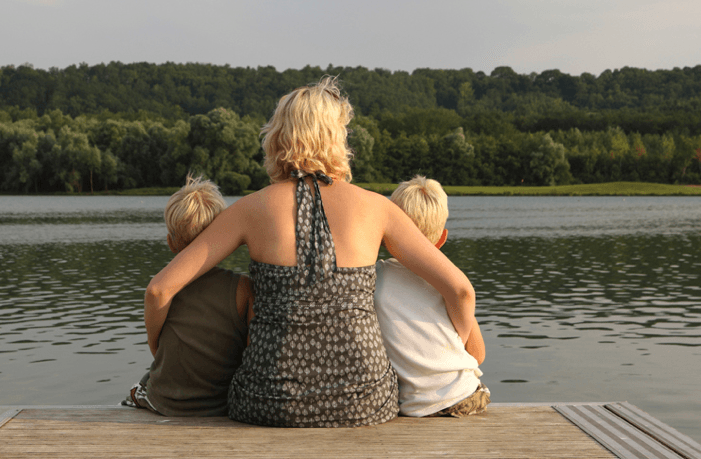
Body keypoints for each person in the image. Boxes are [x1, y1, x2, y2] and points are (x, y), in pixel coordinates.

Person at [144, 77, 477, 427]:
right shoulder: (379, 209)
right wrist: (460, 353)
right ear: (337, 139)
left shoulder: (249, 209)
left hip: (267, 402)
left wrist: (157, 352)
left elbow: (159, 289)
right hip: (365, 402)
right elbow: (460, 290)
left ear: (277, 137)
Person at [125, 174, 254, 416]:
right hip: (221, 405)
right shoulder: (243, 289)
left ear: (170, 243)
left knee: (140, 385)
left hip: (166, 403)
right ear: (222, 241)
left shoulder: (165, 288)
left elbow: (157, 347)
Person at [374, 176, 489, 417]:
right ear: (442, 238)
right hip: (466, 396)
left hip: (410, 405)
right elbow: (477, 355)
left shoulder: (377, 277)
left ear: (385, 237)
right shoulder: (450, 283)